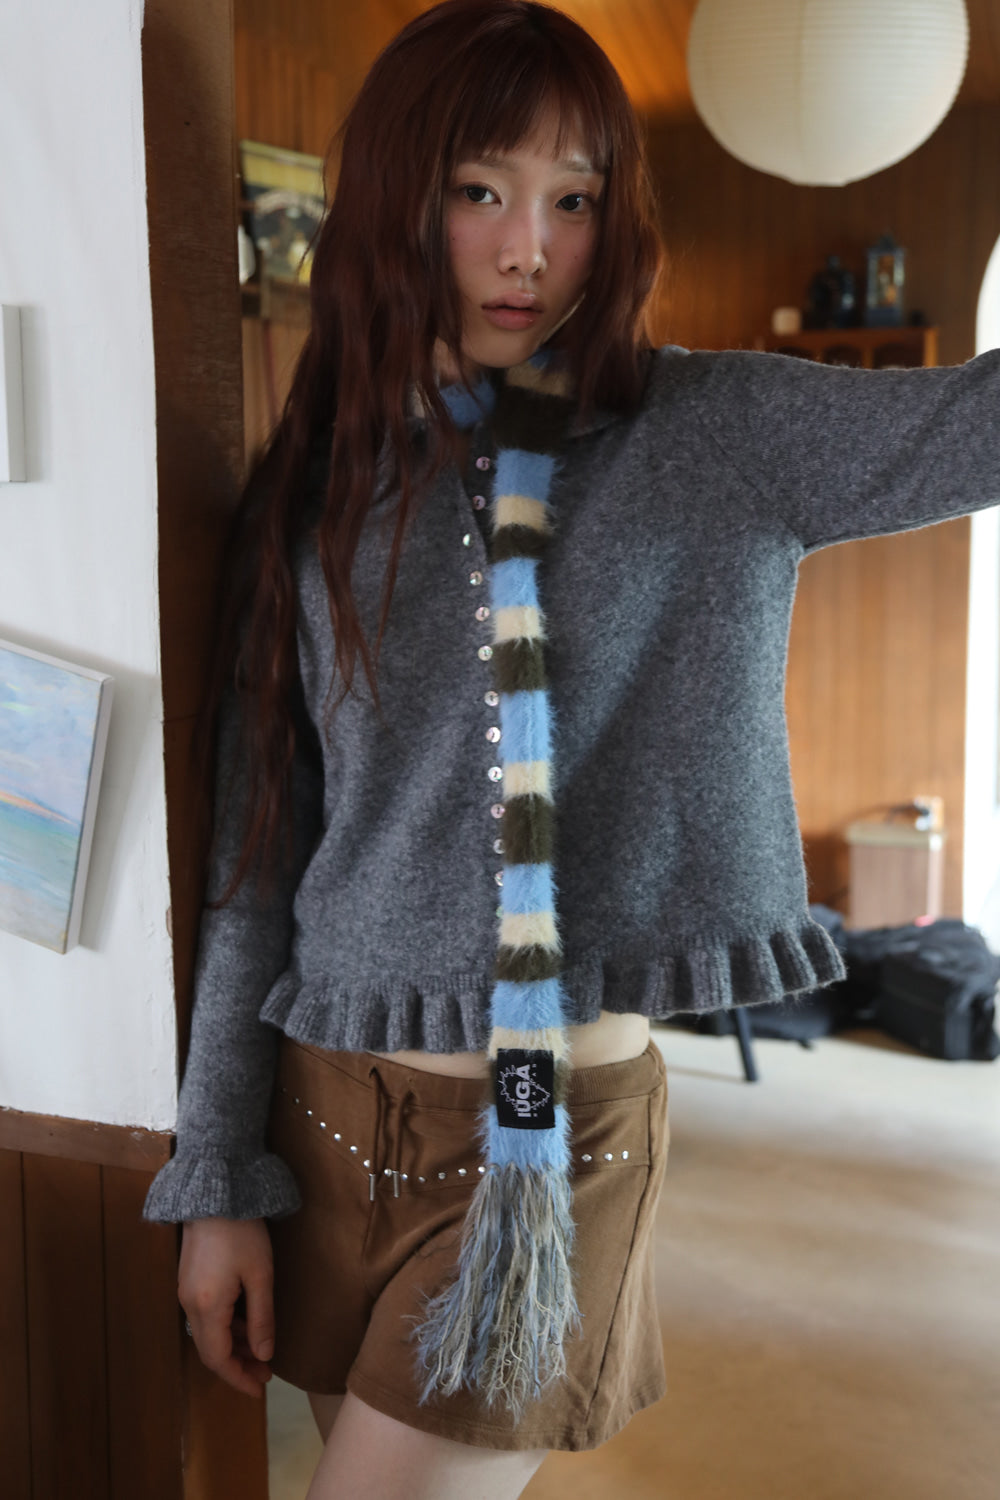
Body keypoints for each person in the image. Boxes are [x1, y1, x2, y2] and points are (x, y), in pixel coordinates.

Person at [142, 2, 1000, 1496]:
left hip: (550, 1153)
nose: (529, 248)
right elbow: (252, 860)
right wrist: (218, 1174)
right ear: (396, 203)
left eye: (575, 199)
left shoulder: (716, 430)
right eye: (480, 190)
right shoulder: (317, 486)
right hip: (324, 1122)